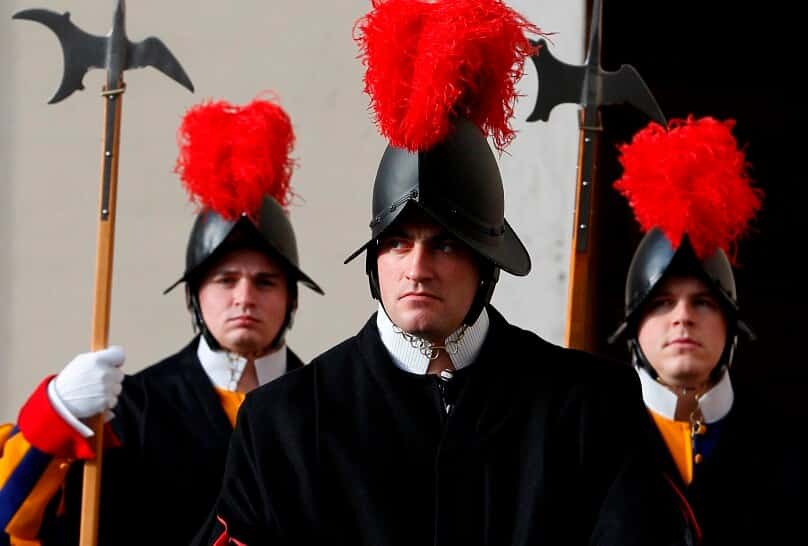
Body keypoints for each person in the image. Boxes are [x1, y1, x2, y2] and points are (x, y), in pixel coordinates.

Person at [192, 1, 694, 544]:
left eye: (446, 247)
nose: (417, 268)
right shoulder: (282, 422)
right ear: (373, 258)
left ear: (486, 265)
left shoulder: (590, 404)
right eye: (398, 243)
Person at [0, 96, 323, 546]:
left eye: (266, 282)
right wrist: (56, 416)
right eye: (226, 280)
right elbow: (13, 520)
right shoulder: (132, 409)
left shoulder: (328, 405)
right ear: (196, 294)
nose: (244, 298)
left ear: (290, 298)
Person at [609, 116, 806, 545]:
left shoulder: (785, 450)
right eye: (661, 303)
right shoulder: (591, 436)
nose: (683, 317)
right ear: (634, 327)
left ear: (731, 325)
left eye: (703, 301)